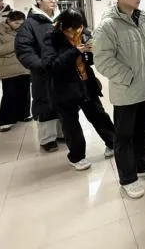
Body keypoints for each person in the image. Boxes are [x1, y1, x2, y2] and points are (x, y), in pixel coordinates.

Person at [93, 0, 145, 198]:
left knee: (142, 130)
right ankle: (127, 178)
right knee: (124, 136)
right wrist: (128, 77)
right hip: (126, 90)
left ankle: (143, 165)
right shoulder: (108, 26)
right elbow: (102, 60)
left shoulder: (142, 20)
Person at [42, 9, 116, 171]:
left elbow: (89, 60)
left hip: (86, 83)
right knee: (71, 125)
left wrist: (91, 52)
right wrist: (75, 51)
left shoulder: (84, 33)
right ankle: (77, 157)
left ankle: (113, 143)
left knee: (99, 116)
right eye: (72, 28)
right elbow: (50, 65)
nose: (76, 31)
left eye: (80, 26)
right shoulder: (52, 37)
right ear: (64, 25)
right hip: (64, 88)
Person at [15, 0, 62, 152]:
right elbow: (24, 49)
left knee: (64, 102)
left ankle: (62, 133)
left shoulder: (62, 19)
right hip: (43, 72)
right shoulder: (30, 24)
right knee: (45, 103)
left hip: (63, 69)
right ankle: (47, 139)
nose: (53, 1)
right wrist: (40, 65)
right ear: (38, 0)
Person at [0, 11, 31, 132]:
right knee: (10, 94)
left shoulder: (25, 31)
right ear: (8, 20)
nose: (19, 25)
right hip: (7, 68)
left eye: (22, 23)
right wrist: (16, 43)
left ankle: (23, 114)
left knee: (25, 92)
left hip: (23, 66)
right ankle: (5, 120)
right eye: (16, 23)